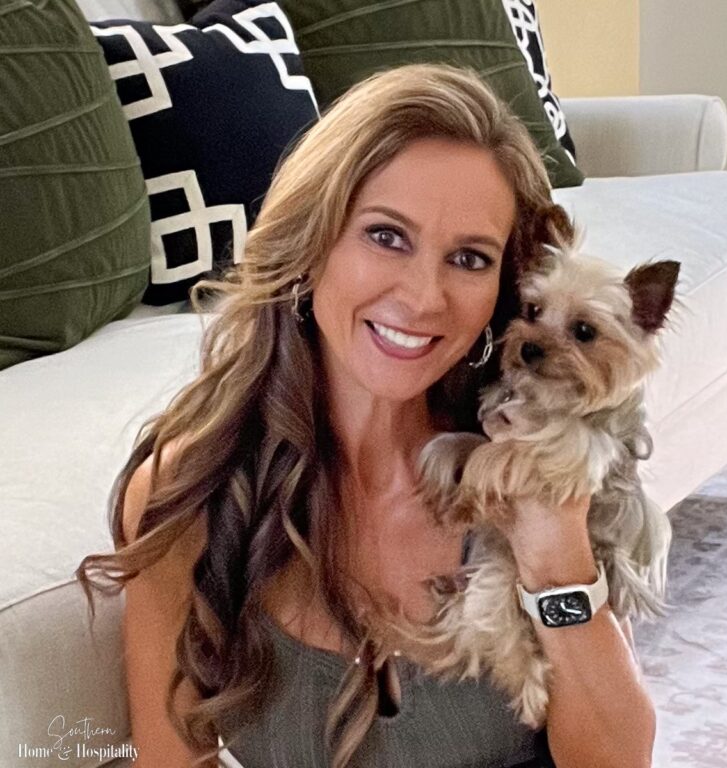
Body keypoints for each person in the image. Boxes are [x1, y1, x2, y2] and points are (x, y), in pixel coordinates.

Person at [77, 63, 656, 768]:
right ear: (312, 241)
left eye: (469, 258)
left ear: (504, 288)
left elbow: (617, 760)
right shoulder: (189, 492)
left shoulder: (532, 461)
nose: (422, 297)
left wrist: (555, 550)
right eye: (386, 236)